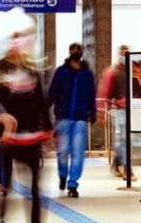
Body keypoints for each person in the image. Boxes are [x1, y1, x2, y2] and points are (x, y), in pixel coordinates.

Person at [0, 19, 53, 223]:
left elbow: (41, 102)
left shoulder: (33, 70)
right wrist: (3, 125)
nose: (18, 43)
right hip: (7, 139)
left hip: (31, 138)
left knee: (36, 191)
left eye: (22, 38)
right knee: (5, 185)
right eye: (13, 38)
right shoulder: (0, 68)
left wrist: (49, 132)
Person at [46, 42, 96, 198]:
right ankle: (62, 174)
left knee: (77, 153)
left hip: (80, 118)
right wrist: (44, 110)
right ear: (69, 52)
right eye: (73, 49)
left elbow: (91, 95)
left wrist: (92, 113)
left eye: (78, 49)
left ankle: (73, 184)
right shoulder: (61, 72)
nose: (75, 52)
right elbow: (52, 92)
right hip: (63, 117)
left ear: (81, 53)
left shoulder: (87, 74)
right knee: (62, 151)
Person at [97, 44, 136, 181]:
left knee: (124, 140)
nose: (125, 56)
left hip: (134, 109)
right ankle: (127, 169)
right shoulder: (112, 72)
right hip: (120, 110)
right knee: (125, 139)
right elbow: (105, 92)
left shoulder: (133, 70)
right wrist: (101, 114)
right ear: (119, 54)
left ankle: (115, 164)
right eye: (123, 53)